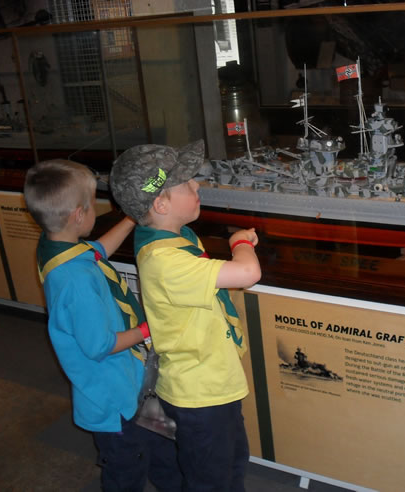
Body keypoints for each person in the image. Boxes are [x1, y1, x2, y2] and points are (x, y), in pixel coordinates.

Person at [109, 140, 262, 492]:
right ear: (160, 204)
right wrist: (240, 243)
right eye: (186, 183)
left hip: (211, 380)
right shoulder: (165, 261)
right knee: (210, 477)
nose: (197, 185)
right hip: (200, 393)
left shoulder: (173, 238)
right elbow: (248, 273)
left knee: (232, 462)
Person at [24, 159, 181, 492]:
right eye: (93, 203)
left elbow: (96, 251)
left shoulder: (57, 248)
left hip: (132, 382)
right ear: (78, 215)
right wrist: (149, 329)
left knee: (163, 451)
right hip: (117, 400)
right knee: (127, 469)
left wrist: (132, 216)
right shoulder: (75, 281)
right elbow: (101, 346)